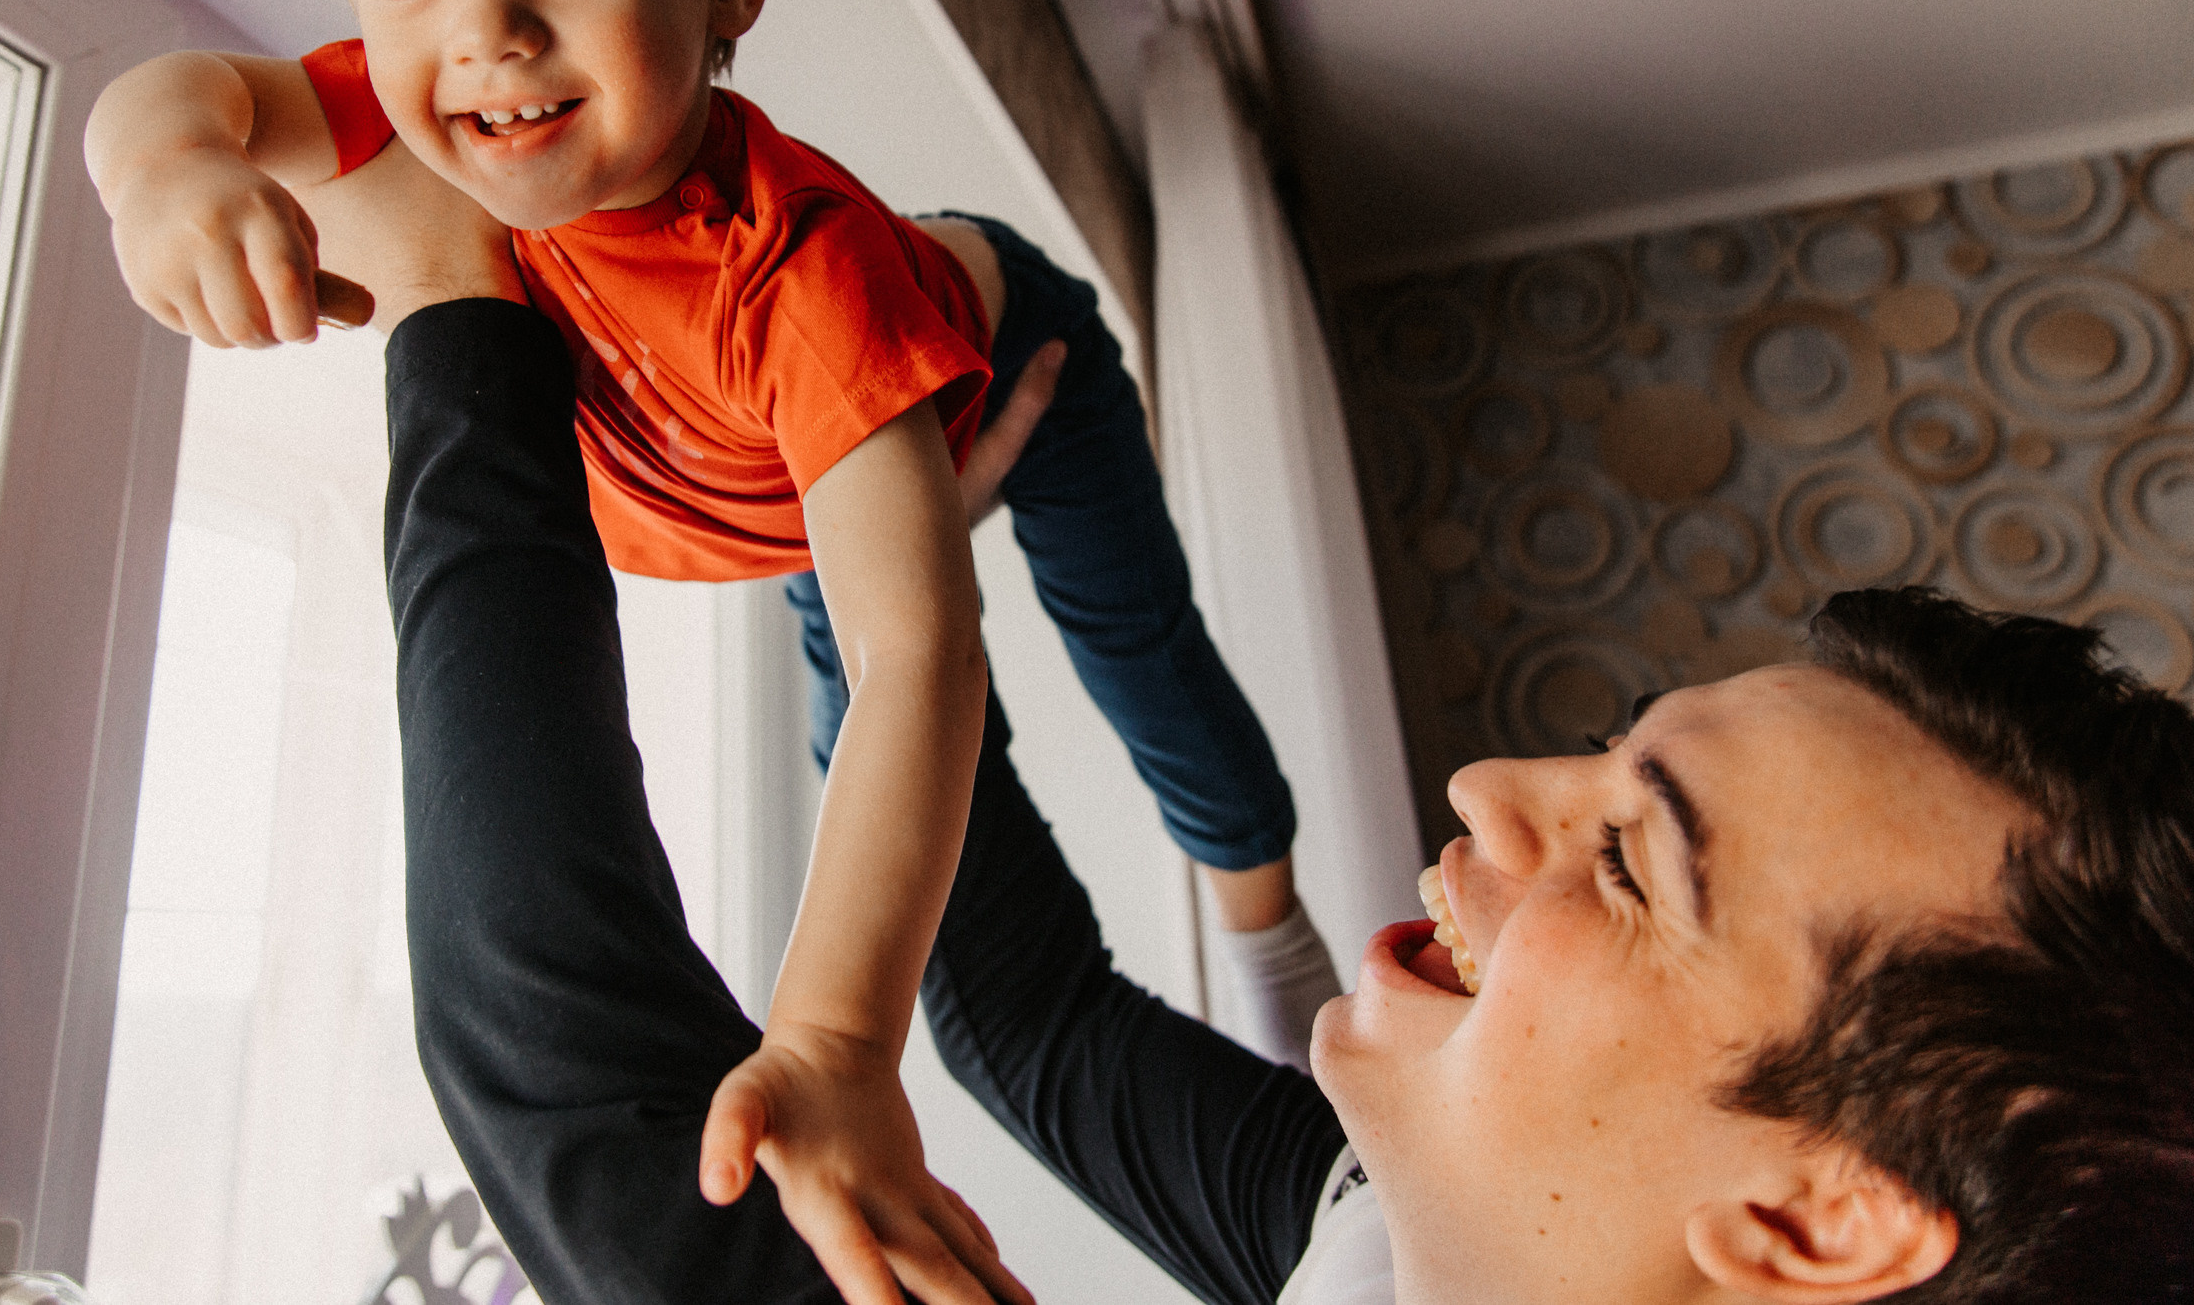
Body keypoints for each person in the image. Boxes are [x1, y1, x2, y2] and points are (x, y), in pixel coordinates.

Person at [85, 0, 1334, 1299]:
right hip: (799, 488)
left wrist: (832, 1035)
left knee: (1137, 654)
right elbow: (171, 94)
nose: (485, 36)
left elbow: (923, 656)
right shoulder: (424, 115)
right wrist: (159, 179)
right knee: (859, 582)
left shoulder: (794, 274)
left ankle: (1270, 924)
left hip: (986, 349)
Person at [350, 191, 2194, 1303]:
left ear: (1810, 1219)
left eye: (1638, 861)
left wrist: (458, 302)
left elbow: (577, 1069)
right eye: (1611, 756)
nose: (1486, 786)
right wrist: (865, 552)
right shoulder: (1366, 1236)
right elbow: (1037, 1021)